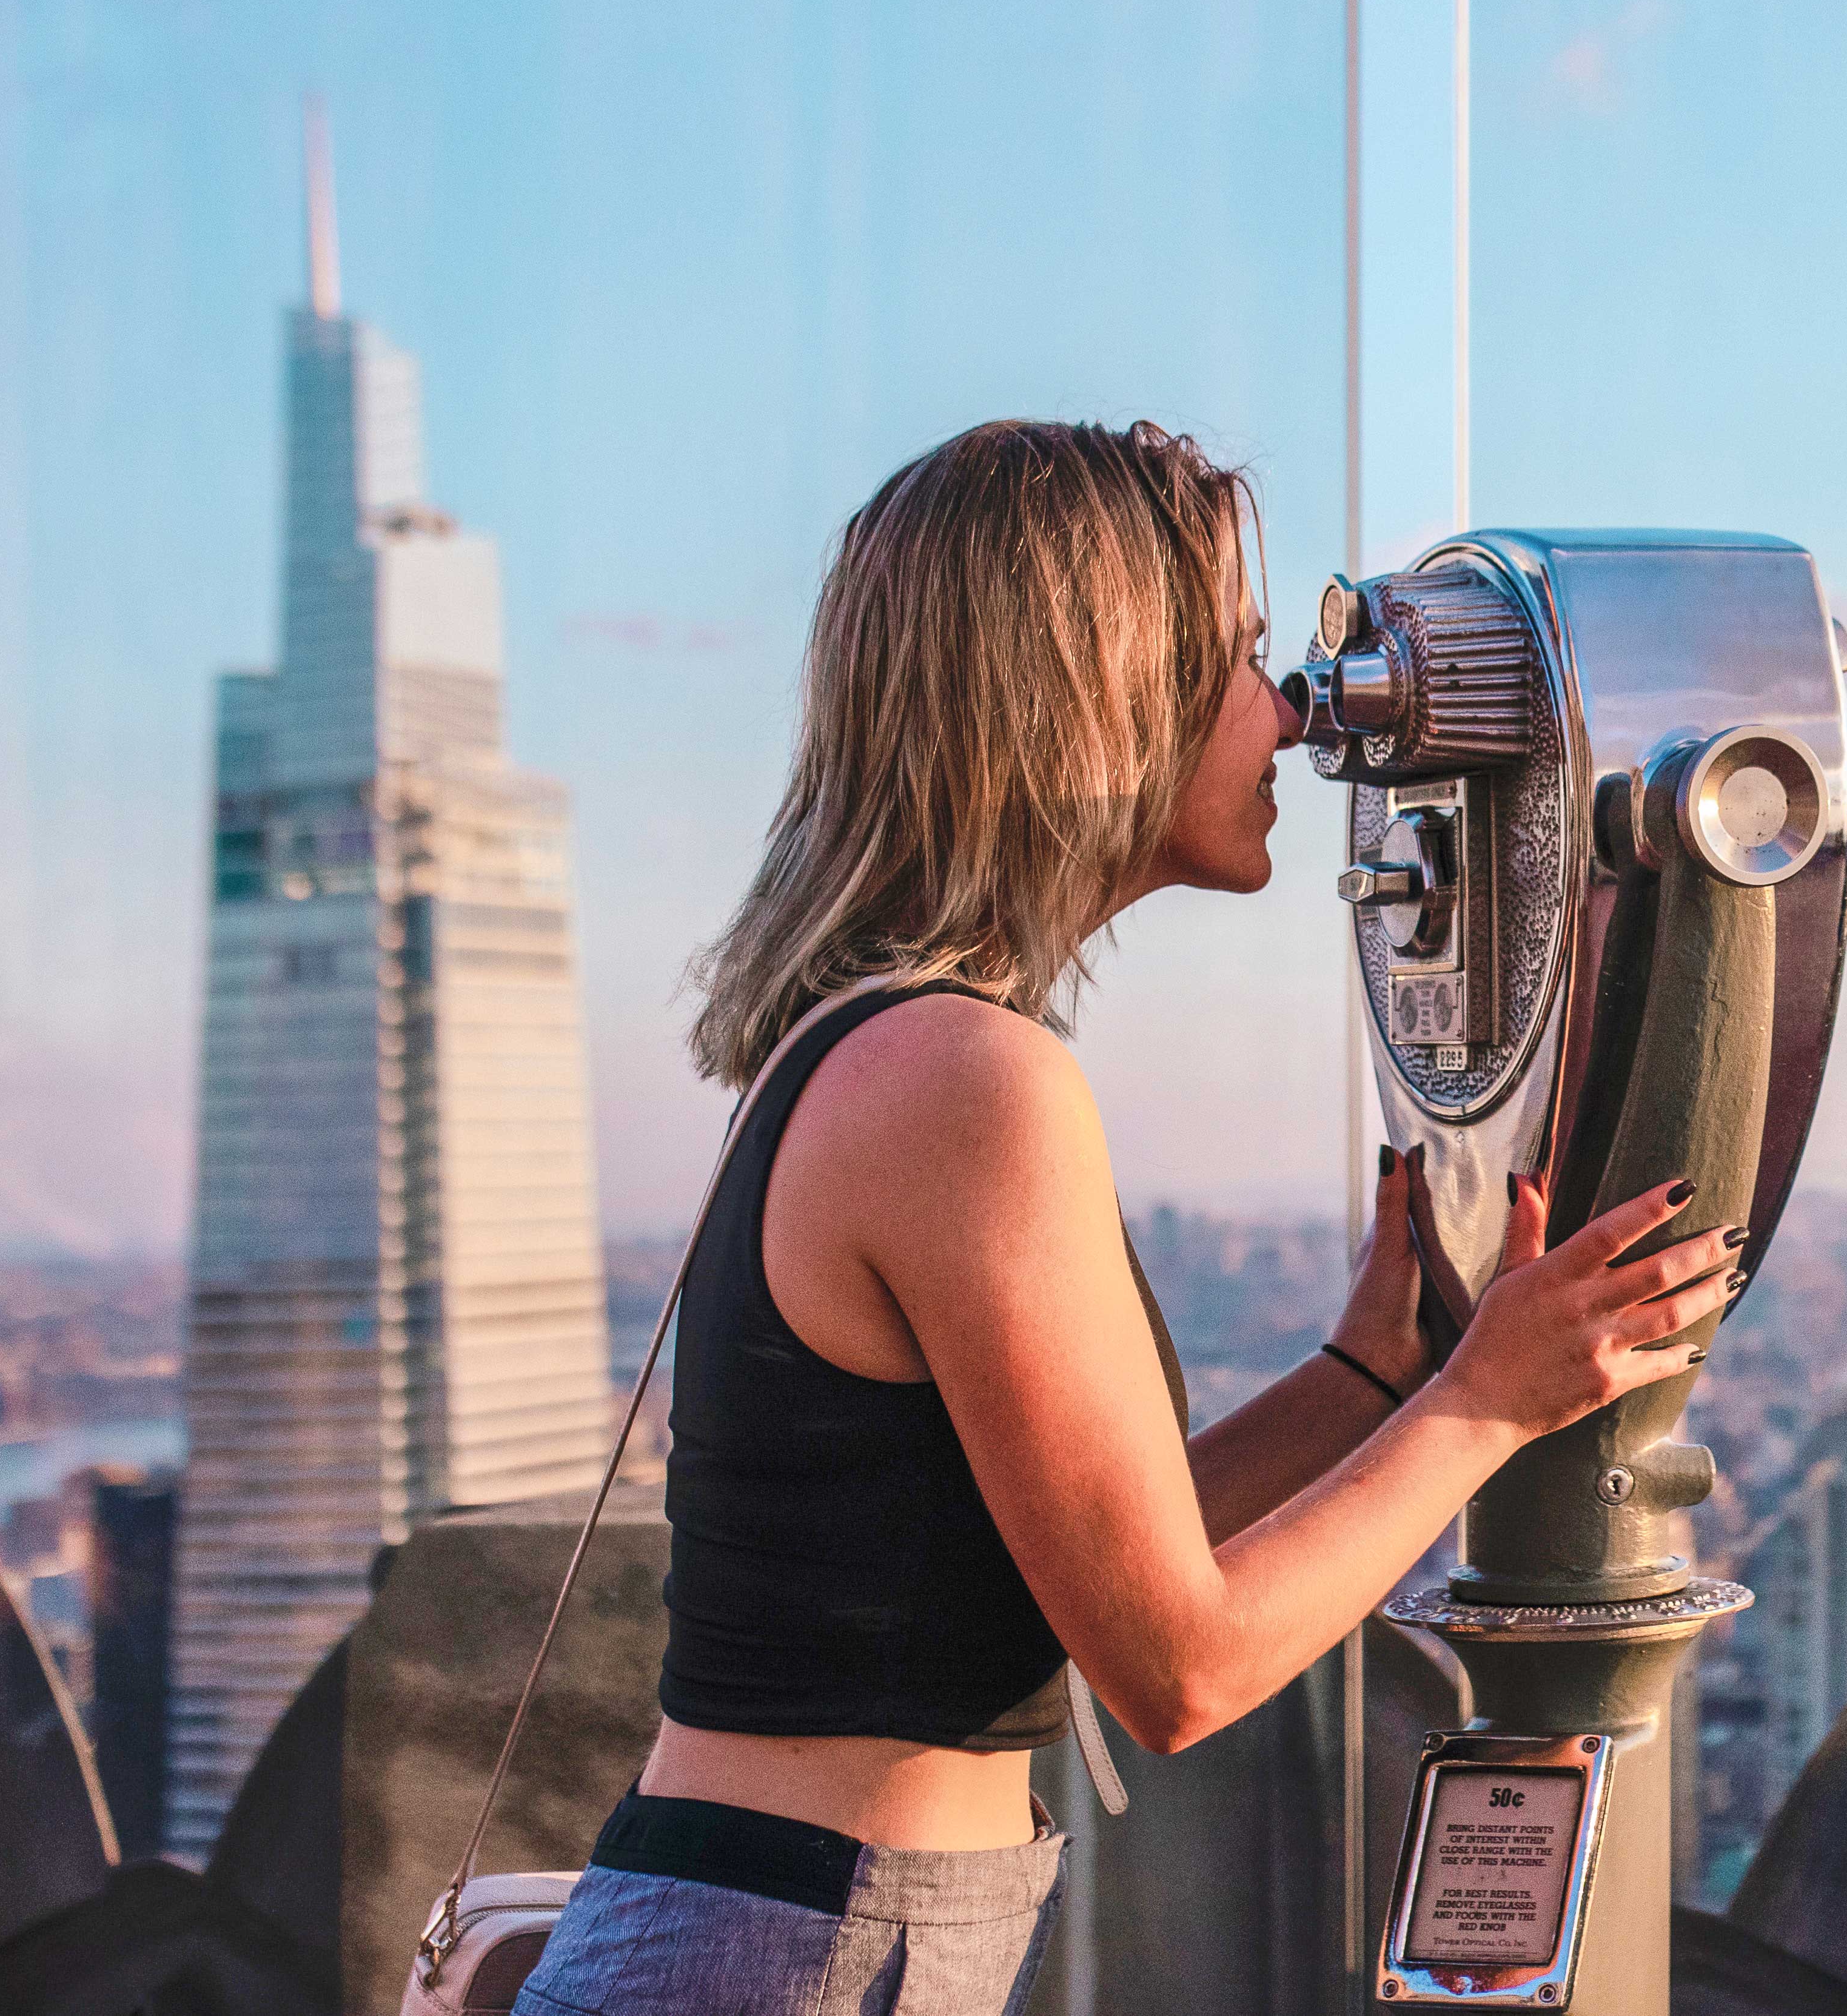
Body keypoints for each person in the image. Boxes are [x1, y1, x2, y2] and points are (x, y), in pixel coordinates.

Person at [512, 421, 1734, 2015]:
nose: (1293, 711)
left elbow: (1053, 1577)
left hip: (781, 1936)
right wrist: (1488, 1401)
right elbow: (1177, 1669)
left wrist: (1362, 1386)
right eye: (1233, 657)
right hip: (802, 1957)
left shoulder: (879, 1044)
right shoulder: (966, 1083)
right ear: (1095, 698)